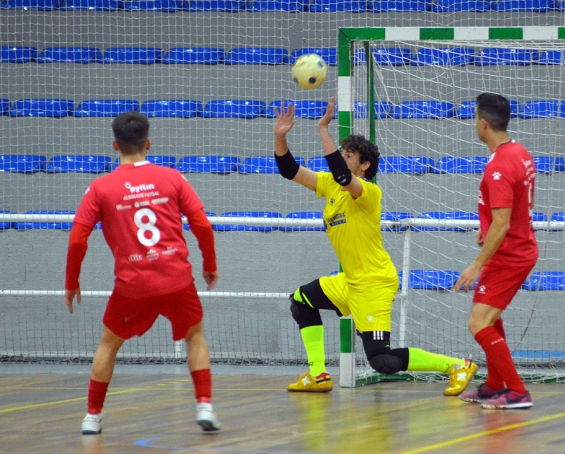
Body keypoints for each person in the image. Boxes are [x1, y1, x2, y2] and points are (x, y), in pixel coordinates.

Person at [273, 97, 478, 394]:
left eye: (349, 156)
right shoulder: (329, 185)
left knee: (381, 360)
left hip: (374, 282)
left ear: (364, 166)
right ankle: (317, 375)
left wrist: (322, 129)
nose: (342, 160)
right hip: (350, 281)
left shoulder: (367, 192)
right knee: (301, 300)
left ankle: (457, 366)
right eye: (341, 154)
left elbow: (343, 176)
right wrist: (280, 137)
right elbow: (289, 169)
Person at [64, 112, 222, 434]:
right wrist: (209, 265)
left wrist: (72, 282)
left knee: (109, 344)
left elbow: (78, 238)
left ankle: (92, 417)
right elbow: (203, 225)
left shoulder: (100, 187)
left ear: (114, 145)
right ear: (148, 144)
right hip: (176, 278)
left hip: (132, 284)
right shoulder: (173, 178)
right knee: (195, 336)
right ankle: (204, 405)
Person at [455, 92, 538, 410]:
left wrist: (476, 265)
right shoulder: (520, 152)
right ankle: (494, 385)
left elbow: (503, 225)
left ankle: (517, 391)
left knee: (478, 322)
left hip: (511, 253)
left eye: (475, 118)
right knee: (490, 316)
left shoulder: (499, 166)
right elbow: (526, 204)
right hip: (514, 246)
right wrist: (490, 227)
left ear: (484, 124)